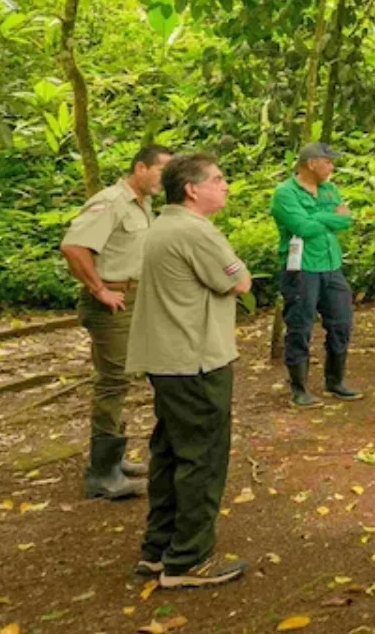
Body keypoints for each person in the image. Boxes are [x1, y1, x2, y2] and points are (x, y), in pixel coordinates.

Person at [128, 153, 251, 588]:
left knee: (170, 452)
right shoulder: (194, 230)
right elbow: (239, 281)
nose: (226, 186)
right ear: (191, 189)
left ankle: (159, 549)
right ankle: (189, 559)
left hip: (168, 359)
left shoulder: (162, 224)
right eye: (218, 179)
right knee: (201, 457)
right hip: (195, 359)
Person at [60, 144, 172, 500]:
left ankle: (115, 459)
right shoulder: (110, 201)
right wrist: (99, 289)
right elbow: (74, 248)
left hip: (135, 298)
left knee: (124, 378)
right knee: (113, 380)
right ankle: (102, 473)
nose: (164, 180)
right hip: (112, 301)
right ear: (140, 167)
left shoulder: (143, 204)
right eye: (160, 171)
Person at [271, 142, 360, 407]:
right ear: (311, 163)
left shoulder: (329, 189)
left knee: (341, 323)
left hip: (331, 266)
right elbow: (301, 227)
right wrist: (327, 217)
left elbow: (346, 219)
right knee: (300, 326)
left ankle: (335, 381)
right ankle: (299, 388)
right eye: (328, 162)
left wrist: (318, 218)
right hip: (301, 269)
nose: (332, 167)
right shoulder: (285, 193)